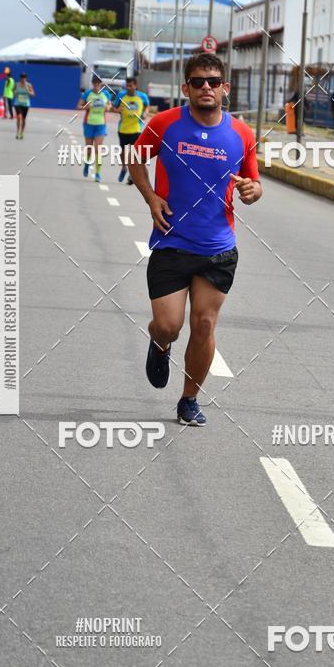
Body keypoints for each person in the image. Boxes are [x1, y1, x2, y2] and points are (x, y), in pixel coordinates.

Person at [129, 52, 262, 426]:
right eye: (199, 81)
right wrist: (150, 197)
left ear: (225, 89)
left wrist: (253, 191)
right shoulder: (164, 123)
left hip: (217, 248)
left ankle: (189, 399)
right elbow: (135, 157)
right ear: (185, 87)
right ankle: (160, 344)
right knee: (169, 325)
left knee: (204, 325)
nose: (206, 87)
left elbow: (252, 181)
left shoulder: (242, 134)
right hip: (171, 243)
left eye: (213, 82)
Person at [112, 77, 149, 184]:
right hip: (123, 128)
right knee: (123, 152)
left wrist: (145, 112)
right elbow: (113, 108)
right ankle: (124, 167)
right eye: (127, 85)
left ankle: (131, 175)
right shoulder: (121, 95)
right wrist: (117, 110)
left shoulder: (142, 96)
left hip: (136, 129)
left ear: (135, 85)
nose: (129, 88)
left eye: (131, 85)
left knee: (133, 153)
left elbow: (146, 106)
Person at [77, 75, 112, 183]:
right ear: (92, 84)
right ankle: (87, 163)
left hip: (101, 124)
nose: (97, 86)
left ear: (101, 84)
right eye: (95, 84)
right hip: (89, 123)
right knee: (89, 148)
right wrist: (85, 107)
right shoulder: (87, 94)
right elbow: (78, 106)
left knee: (98, 149)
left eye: (99, 84)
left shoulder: (105, 94)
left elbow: (109, 105)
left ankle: (98, 173)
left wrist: (108, 107)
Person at [13, 72, 35, 139]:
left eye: (24, 78)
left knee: (23, 119)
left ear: (26, 78)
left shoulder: (29, 85)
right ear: (20, 78)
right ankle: (17, 132)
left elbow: (33, 94)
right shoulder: (16, 84)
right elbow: (13, 94)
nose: (23, 79)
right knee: (19, 117)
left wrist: (28, 91)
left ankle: (21, 132)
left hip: (26, 104)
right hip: (18, 103)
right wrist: (15, 92)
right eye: (22, 78)